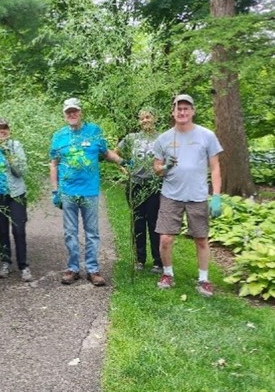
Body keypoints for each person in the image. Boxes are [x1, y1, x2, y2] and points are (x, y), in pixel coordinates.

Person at [50, 97, 128, 286]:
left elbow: (106, 153)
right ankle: (73, 268)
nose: (72, 114)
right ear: (64, 114)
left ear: (80, 112)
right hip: (68, 192)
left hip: (89, 191)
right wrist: (55, 191)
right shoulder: (58, 136)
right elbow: (54, 164)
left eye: (75, 110)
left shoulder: (94, 132)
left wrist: (123, 163)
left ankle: (92, 269)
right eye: (68, 111)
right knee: (70, 232)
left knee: (92, 232)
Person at [153, 94, 222, 297]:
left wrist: (216, 196)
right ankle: (167, 274)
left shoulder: (207, 136)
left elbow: (216, 168)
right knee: (165, 239)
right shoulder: (164, 139)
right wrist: (164, 166)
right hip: (170, 195)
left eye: (186, 108)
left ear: (192, 111)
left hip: (198, 196)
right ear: (173, 112)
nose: (182, 112)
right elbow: (156, 168)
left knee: (201, 239)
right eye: (178, 109)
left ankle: (203, 279)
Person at [0, 118, 32, 282]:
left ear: (9, 130)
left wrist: (9, 156)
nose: (2, 131)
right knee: (2, 229)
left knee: (18, 230)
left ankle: (23, 266)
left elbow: (22, 171)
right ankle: (5, 262)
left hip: (16, 194)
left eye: (5, 128)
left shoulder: (16, 146)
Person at [117, 109, 163, 274]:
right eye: (142, 118)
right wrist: (123, 168)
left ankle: (158, 261)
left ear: (155, 118)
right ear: (138, 121)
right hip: (135, 184)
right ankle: (140, 259)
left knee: (154, 223)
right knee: (138, 222)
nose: (145, 120)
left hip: (154, 185)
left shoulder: (161, 138)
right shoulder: (132, 138)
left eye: (148, 117)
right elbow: (116, 152)